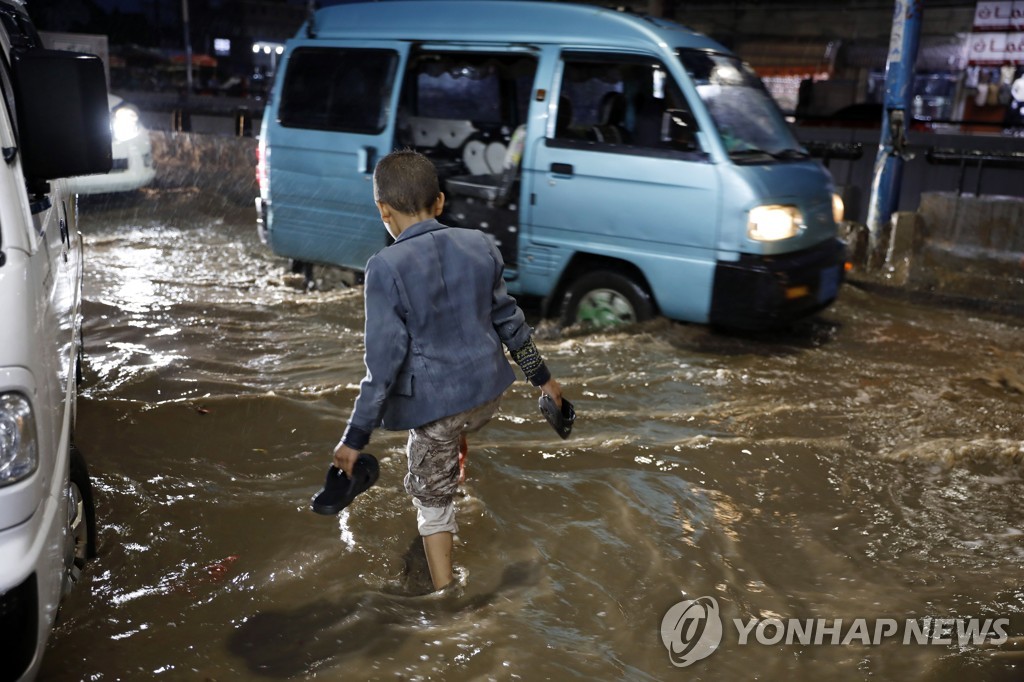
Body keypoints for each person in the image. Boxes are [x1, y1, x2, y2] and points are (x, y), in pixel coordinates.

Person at [332, 149, 563, 592]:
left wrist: (354, 439)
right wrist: (545, 380)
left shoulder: (384, 267)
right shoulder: (480, 244)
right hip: (489, 395)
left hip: (440, 412)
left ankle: (444, 594)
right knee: (456, 421)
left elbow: (381, 366)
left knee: (431, 502)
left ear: (383, 210)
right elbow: (509, 322)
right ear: (439, 202)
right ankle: (457, 464)